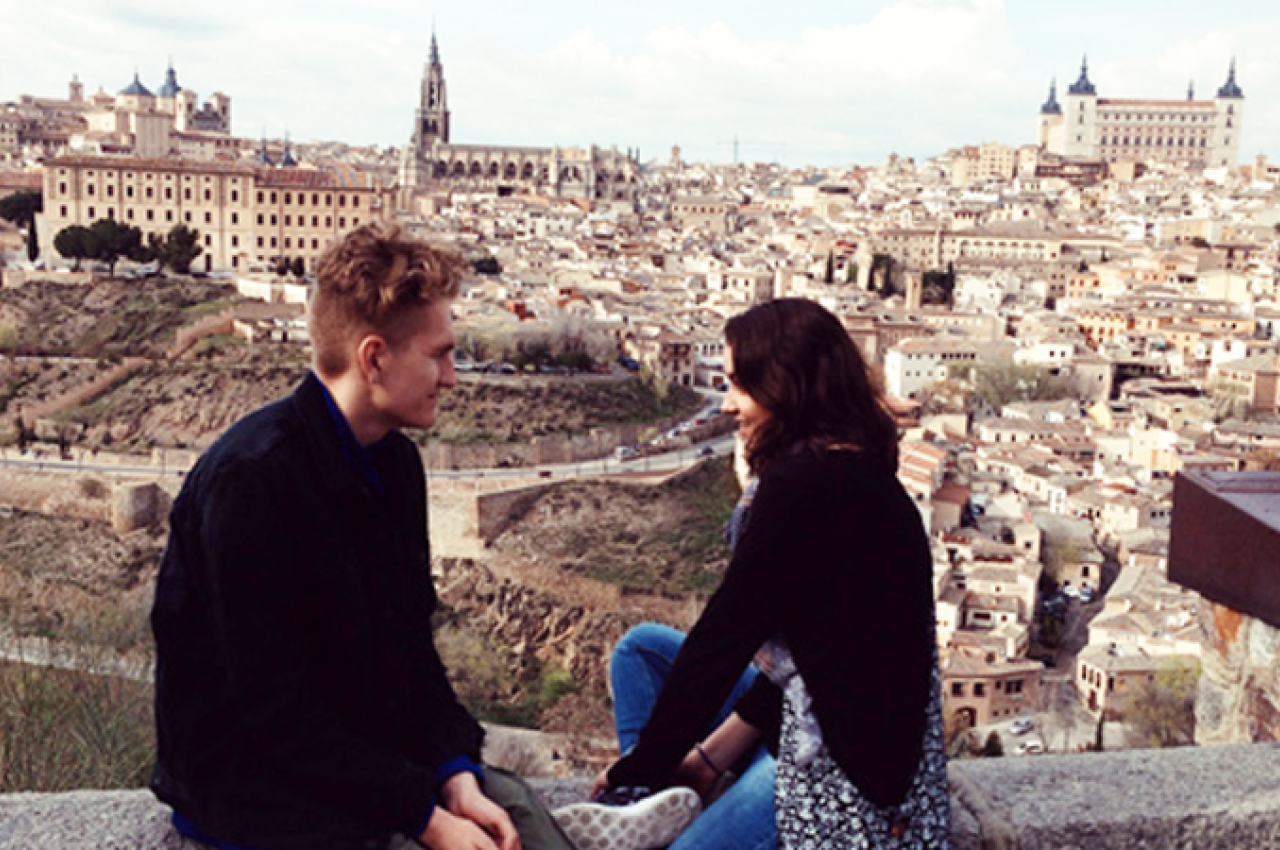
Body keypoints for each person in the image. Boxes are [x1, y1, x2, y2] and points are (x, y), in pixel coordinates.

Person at [151, 222, 626, 850]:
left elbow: (409, 644)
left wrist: (453, 770)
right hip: (256, 791)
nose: (452, 377)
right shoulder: (252, 483)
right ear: (374, 358)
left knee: (513, 815)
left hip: (359, 756)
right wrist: (425, 817)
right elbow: (273, 712)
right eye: (439, 354)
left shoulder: (394, 464)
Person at [592, 298, 951, 849]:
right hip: (808, 708)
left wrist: (639, 769)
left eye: (741, 384)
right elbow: (813, 653)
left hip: (838, 770)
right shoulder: (849, 467)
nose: (729, 404)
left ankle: (648, 807)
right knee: (640, 651)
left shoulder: (805, 489)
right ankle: (658, 809)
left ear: (787, 386)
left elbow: (722, 640)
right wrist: (710, 758)